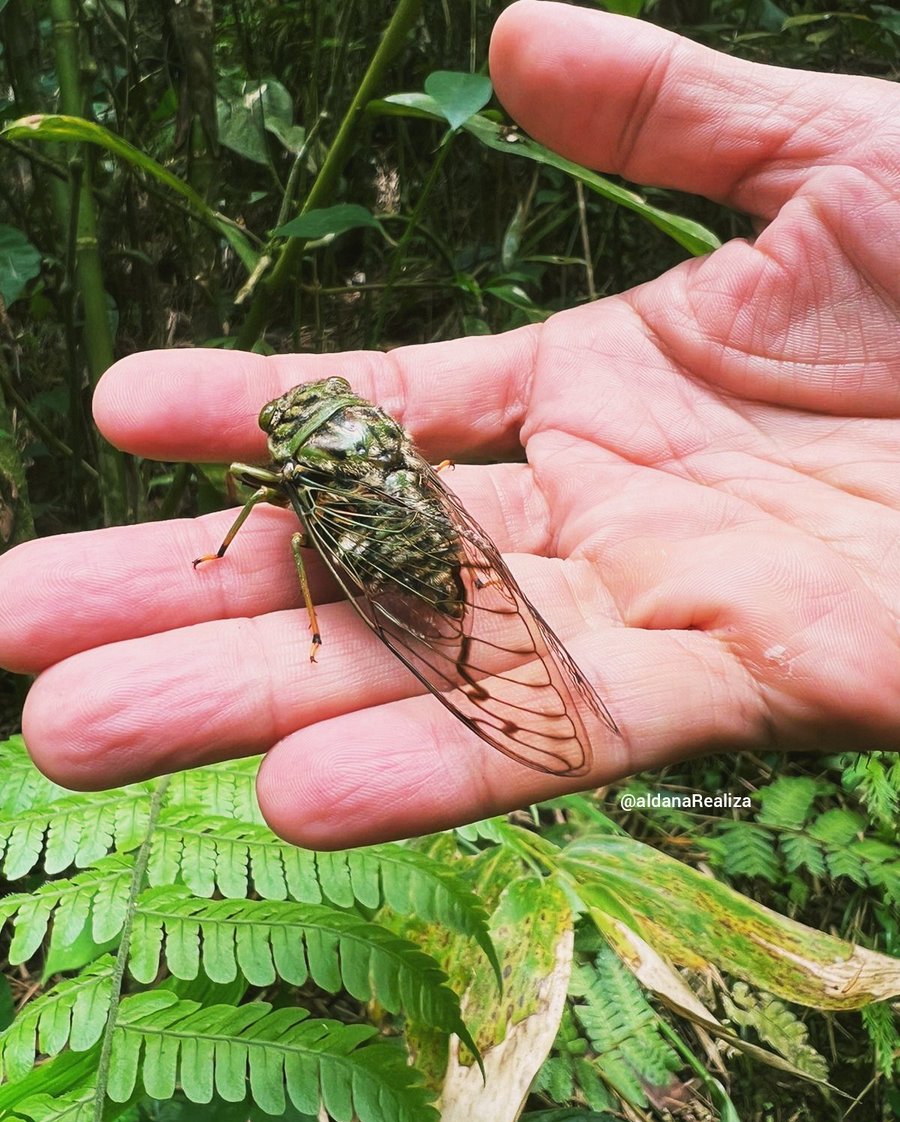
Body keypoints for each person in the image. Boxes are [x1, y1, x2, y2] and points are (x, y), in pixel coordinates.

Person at [1, 0, 898, 849]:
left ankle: (407, 615)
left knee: (308, 551)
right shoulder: (380, 439)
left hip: (393, 541)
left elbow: (293, 530)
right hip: (413, 506)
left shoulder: (290, 479)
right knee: (330, 543)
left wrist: (300, 574)